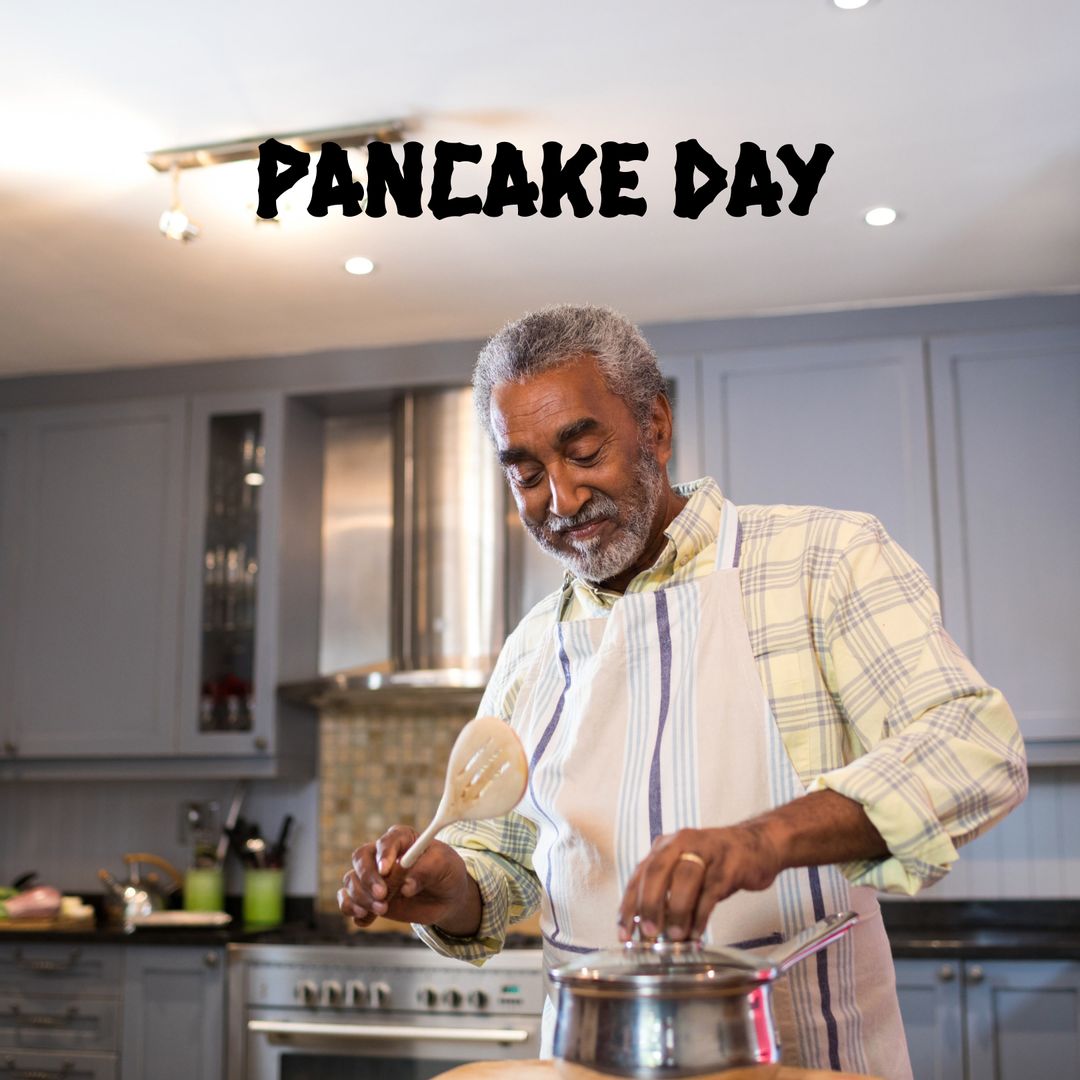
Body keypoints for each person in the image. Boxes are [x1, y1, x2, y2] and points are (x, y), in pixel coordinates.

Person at [340, 304, 1027, 1077]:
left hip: (811, 1060)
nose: (560, 500)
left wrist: (761, 841)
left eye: (583, 450)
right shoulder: (531, 649)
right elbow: (506, 867)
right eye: (526, 473)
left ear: (655, 428)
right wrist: (451, 888)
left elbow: (976, 748)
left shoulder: (823, 560)